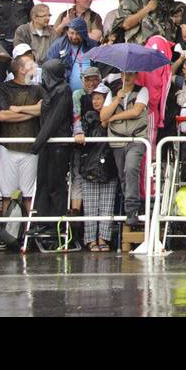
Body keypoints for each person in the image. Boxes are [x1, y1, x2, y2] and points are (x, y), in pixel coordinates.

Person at [0, 55, 45, 220]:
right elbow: (3, 116)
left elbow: (42, 110)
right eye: (31, 64)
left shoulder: (39, 89)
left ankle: (27, 236)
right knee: (7, 195)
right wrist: (31, 113)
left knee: (30, 195)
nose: (36, 66)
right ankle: (6, 236)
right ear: (22, 70)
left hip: (31, 147)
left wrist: (17, 109)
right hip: (8, 146)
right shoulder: (4, 88)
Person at [30, 58, 74, 248]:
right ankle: (43, 221)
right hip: (47, 144)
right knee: (43, 182)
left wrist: (37, 142)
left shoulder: (63, 90)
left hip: (58, 144)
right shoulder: (49, 90)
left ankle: (55, 223)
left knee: (55, 184)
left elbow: (55, 119)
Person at [100, 70, 150, 229]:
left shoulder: (142, 91)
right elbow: (103, 116)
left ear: (136, 76)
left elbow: (136, 111)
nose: (127, 77)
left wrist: (113, 117)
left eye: (130, 74)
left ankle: (132, 210)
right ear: (120, 76)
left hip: (136, 138)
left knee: (131, 168)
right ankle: (130, 210)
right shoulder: (112, 93)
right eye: (124, 74)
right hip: (117, 139)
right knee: (123, 175)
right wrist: (116, 100)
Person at [74, 83, 116, 251]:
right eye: (94, 98)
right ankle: (91, 239)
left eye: (99, 98)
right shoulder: (88, 116)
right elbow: (85, 136)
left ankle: (103, 238)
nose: (96, 101)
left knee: (107, 204)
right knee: (90, 206)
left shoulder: (115, 115)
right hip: (90, 165)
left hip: (108, 164)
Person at [46, 17, 98, 93]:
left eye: (78, 34)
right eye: (71, 33)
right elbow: (49, 68)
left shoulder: (92, 45)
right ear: (67, 32)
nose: (74, 37)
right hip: (66, 93)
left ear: (83, 33)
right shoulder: (59, 45)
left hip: (91, 93)